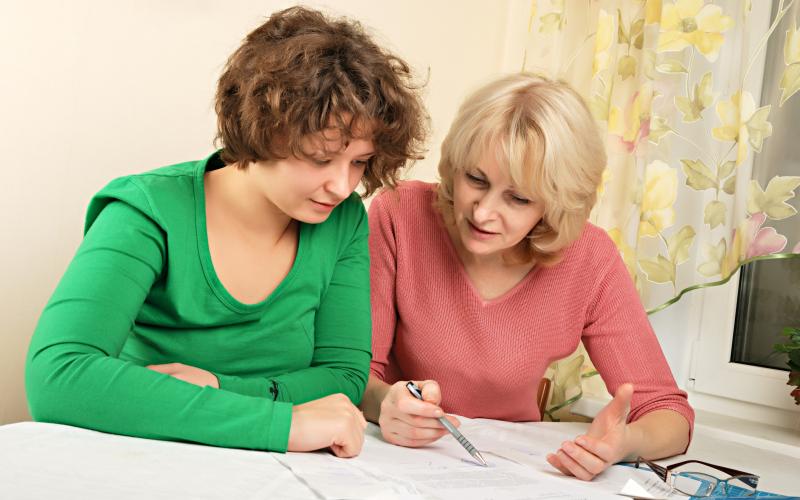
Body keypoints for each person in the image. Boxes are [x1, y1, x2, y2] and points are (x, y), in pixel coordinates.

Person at [25, 6, 426, 458]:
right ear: (260, 129)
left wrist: (219, 386)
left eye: (358, 162)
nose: (343, 185)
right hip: (142, 453)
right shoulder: (146, 209)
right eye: (320, 158)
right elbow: (58, 376)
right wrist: (282, 423)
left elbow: (343, 376)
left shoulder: (343, 220)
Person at [360, 73, 694, 479]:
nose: (482, 212)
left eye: (518, 198)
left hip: (509, 472)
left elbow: (668, 414)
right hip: (394, 462)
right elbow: (356, 372)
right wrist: (384, 403)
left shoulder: (589, 258)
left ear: (556, 203)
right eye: (475, 180)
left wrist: (626, 443)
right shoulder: (400, 214)